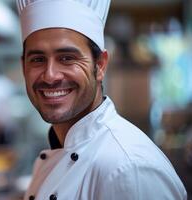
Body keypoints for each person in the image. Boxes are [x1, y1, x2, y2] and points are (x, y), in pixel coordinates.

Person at [16, 0, 187, 199]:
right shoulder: (54, 155)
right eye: (37, 59)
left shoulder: (129, 169)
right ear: (23, 67)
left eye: (67, 58)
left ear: (100, 65)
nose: (50, 75)